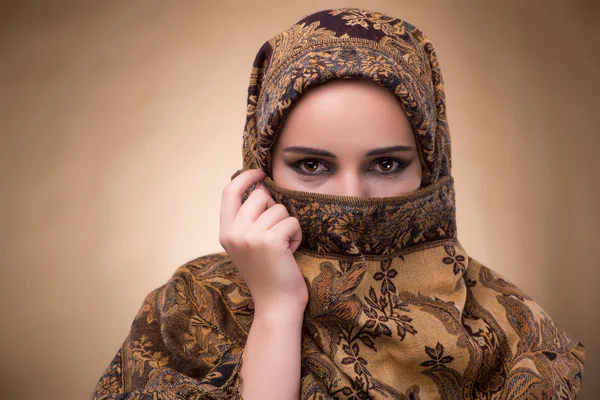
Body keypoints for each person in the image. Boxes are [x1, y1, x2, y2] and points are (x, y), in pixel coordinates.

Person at [92, 8, 585, 400]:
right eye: (312, 165)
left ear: (431, 169)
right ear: (258, 167)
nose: (352, 197)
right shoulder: (193, 309)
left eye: (386, 165)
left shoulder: (511, 329)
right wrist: (277, 310)